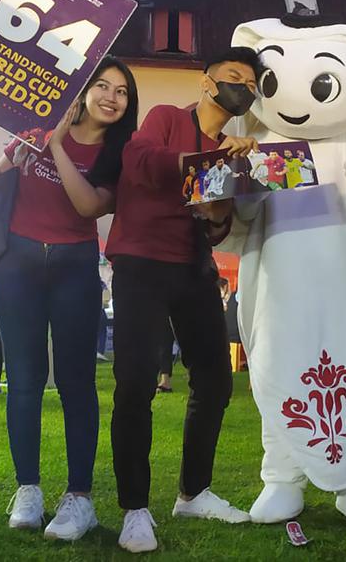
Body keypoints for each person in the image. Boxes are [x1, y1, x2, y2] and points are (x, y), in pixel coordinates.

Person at [0, 55, 138, 541]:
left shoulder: (118, 153)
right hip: (17, 265)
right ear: (82, 90)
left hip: (75, 267)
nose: (110, 96)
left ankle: (79, 497)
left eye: (121, 91)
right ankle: (29, 489)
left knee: (78, 383)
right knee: (24, 381)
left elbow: (88, 205)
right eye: (101, 85)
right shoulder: (34, 128)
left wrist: (56, 144)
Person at [105, 46, 261, 552]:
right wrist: (208, 161)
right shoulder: (167, 118)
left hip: (193, 264)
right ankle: (135, 508)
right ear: (207, 82)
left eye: (253, 84)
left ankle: (193, 491)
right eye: (235, 76)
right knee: (134, 383)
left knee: (214, 380)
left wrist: (220, 206)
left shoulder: (240, 150)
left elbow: (216, 228)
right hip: (141, 258)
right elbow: (140, 161)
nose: (244, 87)